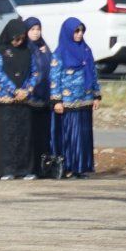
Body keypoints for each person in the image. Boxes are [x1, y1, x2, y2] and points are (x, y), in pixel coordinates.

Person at [50, 17, 101, 178]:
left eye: (81, 31)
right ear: (68, 32)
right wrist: (56, 100)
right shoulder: (60, 53)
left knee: (84, 134)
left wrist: (96, 95)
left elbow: (93, 73)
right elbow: (54, 78)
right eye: (76, 31)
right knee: (70, 135)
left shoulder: (86, 50)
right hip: (68, 101)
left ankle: (81, 167)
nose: (79, 34)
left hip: (84, 99)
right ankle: (69, 167)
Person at [0, 19, 40, 179]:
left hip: (24, 99)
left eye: (21, 38)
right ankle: (7, 169)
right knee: (7, 135)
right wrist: (13, 90)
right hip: (6, 99)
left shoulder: (28, 51)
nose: (19, 42)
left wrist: (28, 89)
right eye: (16, 38)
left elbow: (35, 73)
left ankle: (25, 169)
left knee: (25, 135)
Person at [23, 17, 53, 175]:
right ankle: (31, 168)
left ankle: (44, 168)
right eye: (32, 29)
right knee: (31, 135)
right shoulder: (25, 49)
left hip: (45, 100)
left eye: (38, 29)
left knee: (44, 135)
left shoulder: (44, 47)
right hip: (30, 99)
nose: (36, 33)